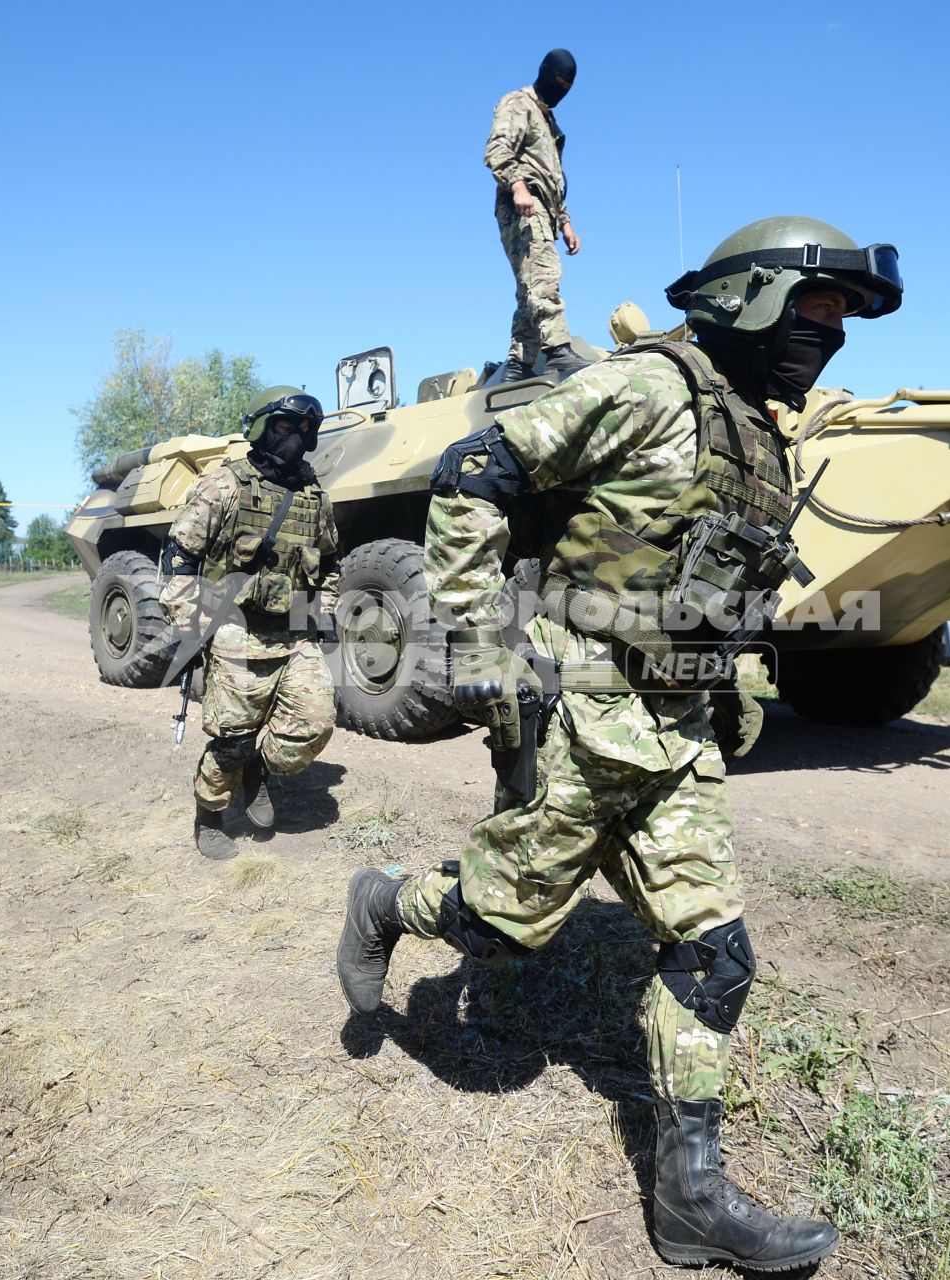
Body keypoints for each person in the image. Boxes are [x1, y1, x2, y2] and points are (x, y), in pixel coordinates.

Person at [338, 216, 903, 1270]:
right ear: (750, 299)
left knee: (714, 954)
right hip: (581, 710)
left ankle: (691, 1199)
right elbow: (476, 472)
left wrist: (726, 674)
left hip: (676, 728)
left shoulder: (758, 426)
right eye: (815, 310)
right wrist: (475, 638)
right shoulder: (646, 388)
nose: (828, 334)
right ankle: (388, 899)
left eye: (841, 321)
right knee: (504, 927)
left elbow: (708, 572)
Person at [158, 387, 341, 858]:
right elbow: (180, 559)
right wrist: (186, 627)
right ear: (261, 429)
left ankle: (260, 767)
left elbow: (332, 562)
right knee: (231, 738)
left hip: (295, 629)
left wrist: (327, 611)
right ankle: (210, 817)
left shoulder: (313, 495)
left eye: (304, 431)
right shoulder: (223, 486)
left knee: (314, 724)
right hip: (235, 624)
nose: (296, 438)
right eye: (285, 427)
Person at [484, 49, 589, 384]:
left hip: (544, 205)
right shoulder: (518, 104)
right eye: (558, 83)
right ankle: (558, 349)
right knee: (543, 276)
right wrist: (517, 187)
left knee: (528, 285)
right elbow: (497, 149)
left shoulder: (548, 121)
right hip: (522, 204)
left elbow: (552, 179)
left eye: (567, 87)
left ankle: (520, 361)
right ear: (545, 73)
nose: (561, 91)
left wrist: (566, 222)